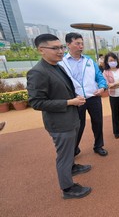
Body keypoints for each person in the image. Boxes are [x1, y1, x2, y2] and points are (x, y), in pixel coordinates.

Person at [27, 34, 91, 199]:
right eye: (55, 48)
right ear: (41, 50)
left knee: (69, 152)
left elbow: (63, 89)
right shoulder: (37, 72)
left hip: (70, 118)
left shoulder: (56, 66)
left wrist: (74, 99)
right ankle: (68, 188)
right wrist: (70, 102)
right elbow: (37, 103)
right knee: (63, 155)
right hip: (60, 123)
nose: (61, 51)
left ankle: (72, 167)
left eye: (61, 47)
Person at [59, 33, 108, 157]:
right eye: (77, 43)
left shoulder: (89, 61)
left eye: (82, 43)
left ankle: (98, 146)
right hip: (75, 100)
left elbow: (99, 76)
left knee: (97, 122)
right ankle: (74, 148)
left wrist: (102, 87)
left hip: (93, 97)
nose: (81, 46)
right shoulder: (61, 63)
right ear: (68, 44)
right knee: (77, 126)